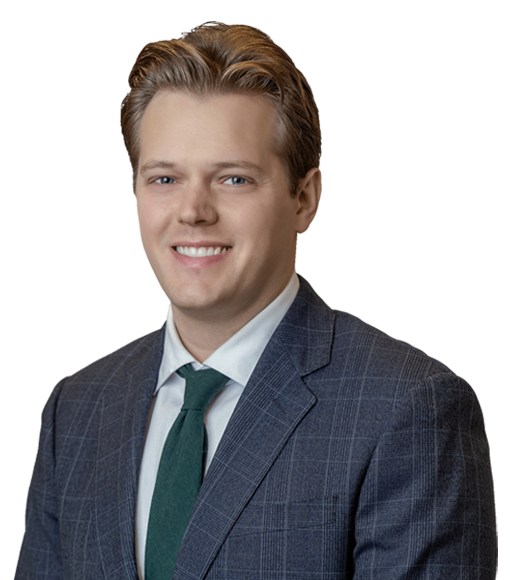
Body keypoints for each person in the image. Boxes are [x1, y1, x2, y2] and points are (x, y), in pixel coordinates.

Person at [15, 22, 496, 580]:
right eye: (165, 179)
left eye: (234, 179)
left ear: (305, 199)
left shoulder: (410, 408)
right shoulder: (77, 408)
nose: (193, 211)